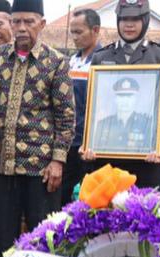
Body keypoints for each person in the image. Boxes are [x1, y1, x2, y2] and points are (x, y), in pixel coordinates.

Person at [0, 0, 75, 257]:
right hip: (0, 161)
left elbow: (66, 116)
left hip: (40, 165)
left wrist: (57, 160)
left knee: (40, 230)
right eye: (16, 21)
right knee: (2, 230)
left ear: (41, 24)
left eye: (28, 22)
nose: (21, 28)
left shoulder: (55, 62)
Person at [83, 0, 160, 189]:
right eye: (124, 19)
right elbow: (94, 105)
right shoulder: (101, 57)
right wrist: (89, 140)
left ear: (146, 20)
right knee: (104, 213)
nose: (129, 25)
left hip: (145, 154)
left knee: (143, 214)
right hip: (106, 151)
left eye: (135, 19)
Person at [63, 8, 100, 205]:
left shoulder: (103, 60)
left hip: (89, 145)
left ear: (95, 30)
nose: (75, 37)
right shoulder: (72, 60)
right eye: (72, 32)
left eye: (79, 32)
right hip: (69, 140)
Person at [92, 77, 155, 150]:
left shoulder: (146, 123)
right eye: (121, 96)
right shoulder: (103, 124)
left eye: (129, 96)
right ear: (115, 99)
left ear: (135, 99)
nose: (125, 101)